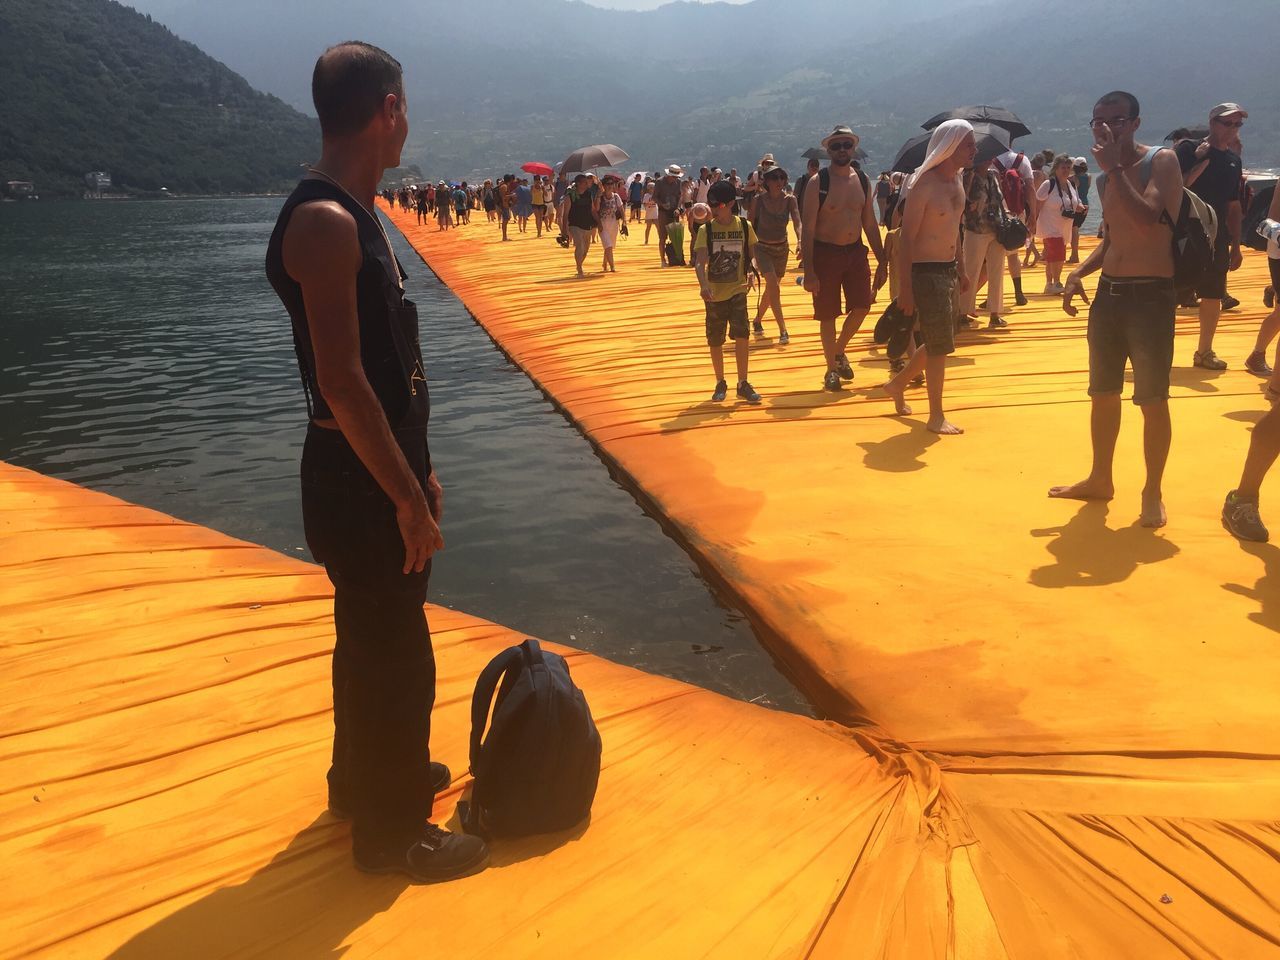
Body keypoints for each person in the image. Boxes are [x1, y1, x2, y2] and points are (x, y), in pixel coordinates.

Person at [264, 41, 488, 883]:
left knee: (369, 631)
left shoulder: (358, 211)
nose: (408, 125)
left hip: (378, 468)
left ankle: (363, 779)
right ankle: (395, 833)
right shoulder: (325, 220)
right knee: (396, 647)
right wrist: (403, 493)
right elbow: (345, 381)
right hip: (356, 478)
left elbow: (390, 371)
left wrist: (417, 466)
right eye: (406, 109)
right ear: (387, 109)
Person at [1051, 90, 1183, 528]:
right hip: (1110, 294)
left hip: (1150, 295)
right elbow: (1112, 238)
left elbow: (1148, 216)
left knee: (1151, 398)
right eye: (1098, 121)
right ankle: (1100, 477)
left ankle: (1152, 491)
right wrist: (1078, 273)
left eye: (1117, 120)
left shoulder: (1159, 162)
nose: (1107, 127)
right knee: (1102, 393)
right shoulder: (1106, 179)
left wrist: (1114, 168)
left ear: (1135, 123)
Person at [880, 120, 976, 435]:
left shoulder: (957, 182)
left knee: (943, 339)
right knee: (939, 346)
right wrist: (905, 289)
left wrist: (961, 268)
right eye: (968, 144)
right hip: (925, 270)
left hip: (947, 268)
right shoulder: (924, 184)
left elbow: (955, 230)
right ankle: (936, 415)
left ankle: (897, 383)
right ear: (949, 147)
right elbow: (907, 240)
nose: (973, 150)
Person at [801, 124, 888, 391]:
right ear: (828, 150)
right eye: (836, 146)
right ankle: (830, 370)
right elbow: (809, 229)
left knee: (862, 305)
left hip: (855, 251)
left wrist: (882, 260)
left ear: (853, 148)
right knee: (828, 315)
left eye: (846, 145)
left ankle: (838, 352)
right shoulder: (818, 183)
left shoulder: (862, 180)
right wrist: (810, 271)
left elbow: (870, 224)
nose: (841, 150)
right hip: (826, 253)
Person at [1174, 103, 1247, 370]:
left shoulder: (1233, 160)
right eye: (1227, 123)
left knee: (1214, 294)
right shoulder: (1188, 149)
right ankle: (1154, 347)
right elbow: (1172, 189)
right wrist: (1197, 161)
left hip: (1216, 234)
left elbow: (1233, 205)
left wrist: (1236, 245)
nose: (1232, 129)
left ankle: (1204, 351)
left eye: (1237, 124)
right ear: (1212, 122)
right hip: (1184, 231)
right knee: (1169, 291)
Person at [694, 179, 762, 404]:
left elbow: (753, 254)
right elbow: (699, 262)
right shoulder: (707, 230)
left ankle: (743, 382)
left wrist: (752, 270)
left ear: (731, 203)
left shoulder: (744, 226)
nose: (714, 210)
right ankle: (720, 381)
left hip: (738, 289)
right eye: (711, 206)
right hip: (714, 293)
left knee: (742, 334)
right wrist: (703, 285)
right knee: (715, 338)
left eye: (719, 206)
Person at [748, 165, 799, 343]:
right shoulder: (758, 200)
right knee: (773, 286)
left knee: (772, 289)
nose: (779, 181)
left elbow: (797, 222)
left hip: (781, 249)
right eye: (775, 178)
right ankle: (783, 329)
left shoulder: (790, 200)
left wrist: (800, 240)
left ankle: (757, 320)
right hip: (762, 248)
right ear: (766, 182)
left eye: (781, 178)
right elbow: (750, 225)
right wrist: (749, 255)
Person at [960, 157, 1011, 329]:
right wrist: (970, 205)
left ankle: (995, 313)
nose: (989, 160)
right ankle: (962, 312)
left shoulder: (993, 176)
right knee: (970, 270)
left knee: (996, 271)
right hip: (976, 229)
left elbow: (1000, 200)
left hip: (996, 229)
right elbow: (961, 200)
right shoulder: (967, 176)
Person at [1035, 155, 1084, 294]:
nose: (1066, 170)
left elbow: (1075, 201)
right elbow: (1039, 201)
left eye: (1068, 168)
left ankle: (1049, 284)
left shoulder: (1071, 185)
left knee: (1052, 256)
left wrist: (1080, 207)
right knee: (1058, 255)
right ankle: (1056, 282)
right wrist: (1033, 220)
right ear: (1056, 168)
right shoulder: (1049, 184)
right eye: (1063, 167)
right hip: (1050, 225)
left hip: (1064, 227)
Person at [992, 148, 1033, 306]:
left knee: (995, 257)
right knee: (1013, 255)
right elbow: (1030, 188)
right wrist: (1033, 215)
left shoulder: (992, 161)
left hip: (997, 214)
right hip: (1017, 213)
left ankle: (994, 297)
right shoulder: (1022, 160)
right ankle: (1019, 293)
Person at [561, 173, 597, 277]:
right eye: (585, 182)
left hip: (587, 224)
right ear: (578, 184)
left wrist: (598, 222)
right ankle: (579, 268)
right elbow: (565, 214)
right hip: (575, 225)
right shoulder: (570, 196)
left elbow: (593, 210)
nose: (587, 184)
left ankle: (579, 265)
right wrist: (564, 229)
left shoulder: (588, 194)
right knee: (580, 246)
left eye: (587, 182)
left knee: (585, 250)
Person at [654, 165, 684, 266]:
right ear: (669, 175)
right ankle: (663, 260)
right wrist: (662, 204)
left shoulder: (678, 183)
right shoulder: (659, 182)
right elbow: (654, 197)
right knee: (662, 237)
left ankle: (676, 258)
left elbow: (680, 196)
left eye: (677, 177)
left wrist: (678, 208)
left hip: (674, 212)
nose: (676, 179)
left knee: (676, 236)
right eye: (674, 177)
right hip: (663, 212)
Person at [597, 174, 626, 272]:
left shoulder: (616, 196)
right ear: (603, 186)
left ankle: (605, 263)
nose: (609, 186)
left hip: (614, 225)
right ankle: (612, 266)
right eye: (607, 184)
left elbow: (621, 210)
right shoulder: (600, 197)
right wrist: (598, 196)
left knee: (609, 246)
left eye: (611, 184)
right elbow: (596, 209)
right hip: (602, 226)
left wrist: (624, 222)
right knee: (608, 245)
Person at [1069, 158, 1091, 263]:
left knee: (1074, 230)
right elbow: (1085, 190)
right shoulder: (1089, 177)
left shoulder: (1073, 178)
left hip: (1077, 206)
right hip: (1086, 204)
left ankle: (1074, 255)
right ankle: (1074, 255)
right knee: (1076, 229)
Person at [497, 173, 516, 241]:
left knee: (506, 220)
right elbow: (503, 197)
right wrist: (512, 196)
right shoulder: (504, 186)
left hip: (504, 205)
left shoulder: (504, 186)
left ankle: (505, 236)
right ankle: (504, 237)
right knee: (505, 221)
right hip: (504, 205)